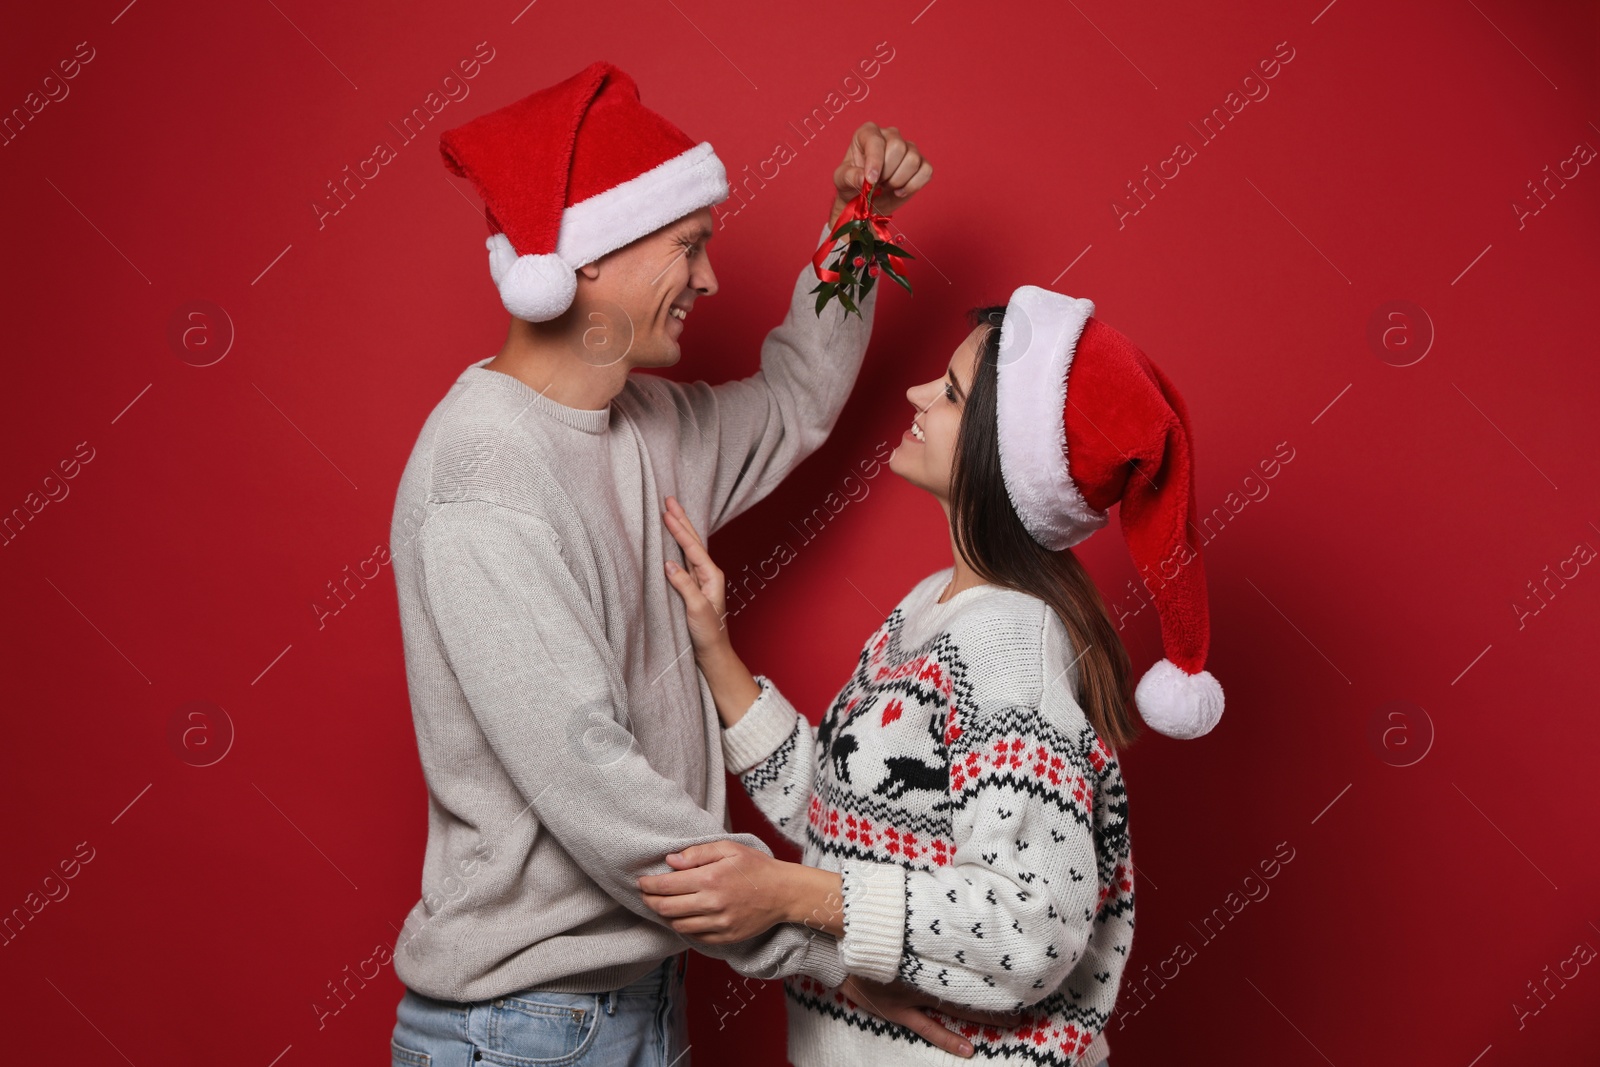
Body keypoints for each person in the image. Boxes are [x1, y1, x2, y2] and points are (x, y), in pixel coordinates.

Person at [385, 59, 991, 1067]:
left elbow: (796, 398)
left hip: (637, 1000)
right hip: (524, 1029)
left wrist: (856, 228)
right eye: (688, 246)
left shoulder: (649, 425)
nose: (708, 278)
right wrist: (830, 943)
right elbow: (595, 781)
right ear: (586, 260)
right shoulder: (483, 477)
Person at [642, 285, 1227, 1066]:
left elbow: (1032, 924)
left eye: (950, 393)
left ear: (1000, 451)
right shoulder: (933, 608)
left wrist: (788, 895)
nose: (918, 394)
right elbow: (843, 812)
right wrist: (715, 646)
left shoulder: (1012, 646)